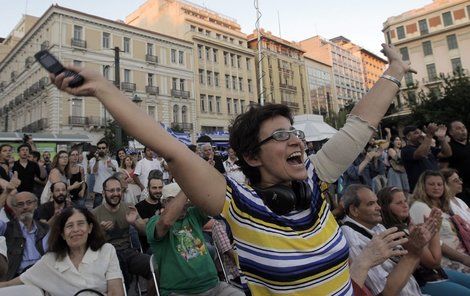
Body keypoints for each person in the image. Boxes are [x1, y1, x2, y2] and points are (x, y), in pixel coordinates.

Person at [51, 43, 415, 295]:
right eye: (280, 136)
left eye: (296, 133)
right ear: (251, 157)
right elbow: (171, 148)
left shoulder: (316, 181)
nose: (296, 142)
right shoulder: (237, 203)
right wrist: (102, 88)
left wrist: (395, 69)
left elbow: (361, 123)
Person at [0, 207, 125, 295]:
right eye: (69, 226)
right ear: (62, 234)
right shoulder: (50, 260)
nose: (76, 230)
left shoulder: (106, 251)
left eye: (81, 224)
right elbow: (10, 284)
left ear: (90, 228)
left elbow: (116, 292)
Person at [146, 182, 243, 296]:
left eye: (185, 201)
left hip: (214, 287)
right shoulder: (154, 221)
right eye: (174, 200)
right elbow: (166, 222)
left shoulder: (192, 214)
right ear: (164, 203)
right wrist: (186, 188)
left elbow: (212, 202)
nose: (183, 205)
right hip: (179, 292)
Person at [341, 184, 437, 295]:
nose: (379, 207)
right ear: (354, 210)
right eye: (371, 204)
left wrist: (417, 246)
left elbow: (408, 267)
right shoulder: (352, 240)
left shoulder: (378, 227)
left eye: (377, 202)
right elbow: (386, 292)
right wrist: (412, 254)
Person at [92, 176, 155, 294]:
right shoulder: (95, 213)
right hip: (106, 256)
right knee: (118, 277)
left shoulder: (129, 207)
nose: (115, 194)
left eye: (118, 190)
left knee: (156, 267)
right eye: (111, 191)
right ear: (103, 192)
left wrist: (134, 222)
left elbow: (145, 232)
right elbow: (89, 244)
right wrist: (100, 230)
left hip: (128, 253)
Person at [410, 170, 470, 273]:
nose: (436, 187)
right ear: (423, 186)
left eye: (439, 184)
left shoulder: (445, 205)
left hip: (462, 253)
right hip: (445, 261)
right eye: (431, 184)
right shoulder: (419, 207)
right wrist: (463, 258)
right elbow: (430, 241)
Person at [0, 192, 49, 280]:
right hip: (16, 277)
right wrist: (6, 191)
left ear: (36, 205)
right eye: (20, 204)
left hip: (43, 275)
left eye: (29, 203)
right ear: (14, 209)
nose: (25, 207)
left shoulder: (45, 228)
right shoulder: (6, 228)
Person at [402, 124, 451, 191]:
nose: (421, 135)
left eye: (421, 133)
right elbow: (421, 154)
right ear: (408, 137)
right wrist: (429, 135)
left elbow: (447, 153)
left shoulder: (429, 148)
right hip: (420, 190)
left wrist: (442, 138)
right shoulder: (406, 150)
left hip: (436, 187)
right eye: (416, 133)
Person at [135, 174, 164, 252]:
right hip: (150, 247)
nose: (158, 190)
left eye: (160, 187)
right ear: (148, 189)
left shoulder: (164, 204)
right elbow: (142, 233)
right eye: (154, 188)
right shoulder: (139, 207)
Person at [446, 121, 470, 205]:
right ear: (451, 133)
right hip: (462, 190)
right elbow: (444, 169)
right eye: (458, 128)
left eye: (463, 127)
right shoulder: (449, 148)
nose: (463, 130)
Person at [89, 141, 119, 208]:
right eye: (99, 148)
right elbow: (94, 172)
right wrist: (97, 161)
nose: (101, 149)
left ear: (107, 149)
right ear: (97, 149)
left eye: (103, 148)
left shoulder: (114, 162)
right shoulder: (93, 160)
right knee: (96, 213)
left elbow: (117, 176)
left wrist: (112, 166)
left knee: (112, 210)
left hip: (112, 190)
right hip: (99, 190)